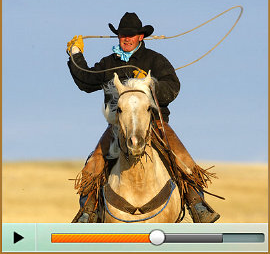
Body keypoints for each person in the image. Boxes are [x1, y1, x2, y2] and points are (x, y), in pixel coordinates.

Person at [66, 12, 220, 223]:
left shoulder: (155, 60)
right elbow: (86, 80)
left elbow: (173, 87)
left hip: (154, 123)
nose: (126, 39)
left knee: (183, 160)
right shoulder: (110, 62)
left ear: (141, 37)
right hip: (117, 125)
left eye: (131, 35)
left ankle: (197, 204)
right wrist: (75, 54)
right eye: (122, 35)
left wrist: (151, 84)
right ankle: (88, 211)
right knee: (93, 163)